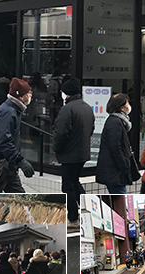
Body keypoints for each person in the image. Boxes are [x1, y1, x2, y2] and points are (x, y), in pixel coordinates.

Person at [52, 77, 94, 224]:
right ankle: (87, 209)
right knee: (74, 182)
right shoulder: (87, 107)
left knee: (68, 186)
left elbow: (61, 133)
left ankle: (73, 217)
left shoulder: (67, 109)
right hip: (82, 153)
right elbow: (91, 129)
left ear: (67, 94)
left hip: (69, 155)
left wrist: (56, 148)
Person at [0, 78, 35, 193]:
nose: (30, 95)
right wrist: (20, 161)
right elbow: (5, 141)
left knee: (20, 199)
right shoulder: (8, 112)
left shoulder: (13, 109)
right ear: (20, 96)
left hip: (7, 166)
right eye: (28, 93)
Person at [96, 93, 136, 194]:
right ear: (122, 107)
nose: (129, 105)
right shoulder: (115, 123)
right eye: (127, 103)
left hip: (114, 171)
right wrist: (124, 166)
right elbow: (115, 148)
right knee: (120, 199)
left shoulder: (117, 121)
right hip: (114, 171)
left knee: (119, 199)